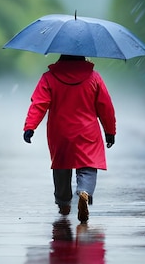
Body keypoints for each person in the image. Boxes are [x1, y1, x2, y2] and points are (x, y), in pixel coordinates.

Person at [23, 54, 116, 223]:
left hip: (61, 132)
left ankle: (64, 203)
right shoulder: (94, 77)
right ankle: (84, 192)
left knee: (61, 168)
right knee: (88, 166)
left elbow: (39, 103)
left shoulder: (49, 78)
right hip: (88, 131)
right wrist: (110, 130)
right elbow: (105, 105)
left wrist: (30, 127)